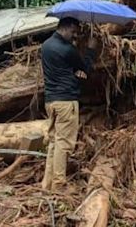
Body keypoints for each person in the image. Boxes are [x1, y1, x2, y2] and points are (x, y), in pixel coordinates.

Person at [41, 17, 98, 192]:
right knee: (64, 143)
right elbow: (85, 68)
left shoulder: (46, 45)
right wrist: (90, 49)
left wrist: (73, 73)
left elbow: (64, 69)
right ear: (66, 28)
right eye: (74, 32)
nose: (75, 36)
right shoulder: (67, 49)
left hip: (51, 101)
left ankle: (47, 184)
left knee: (53, 142)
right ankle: (59, 185)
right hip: (66, 102)